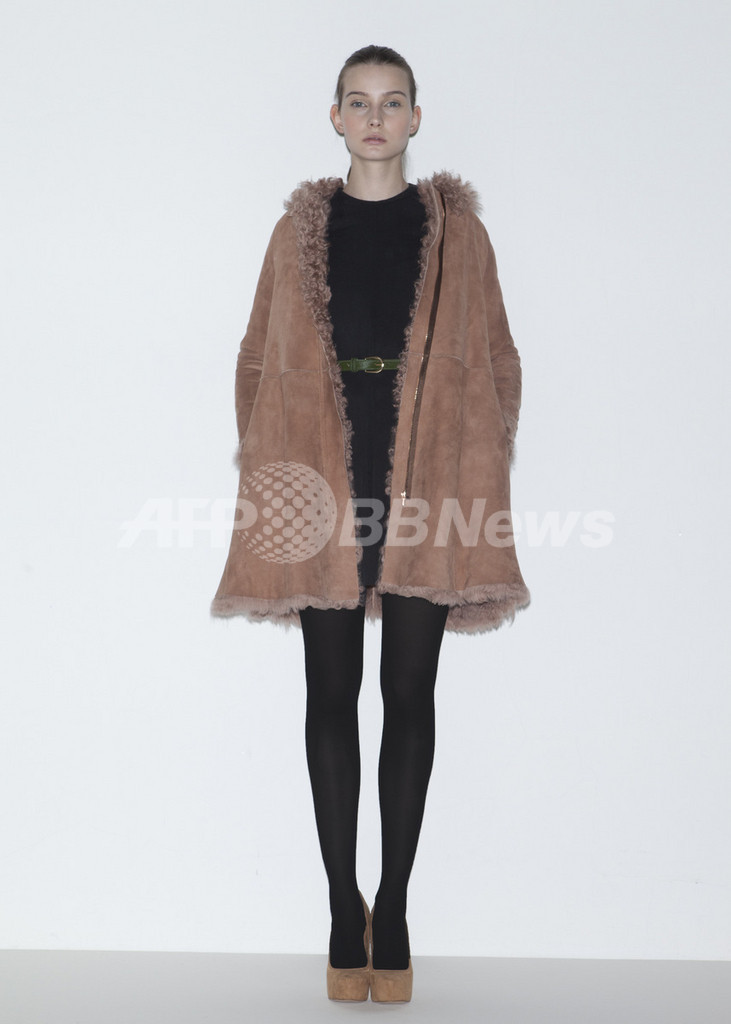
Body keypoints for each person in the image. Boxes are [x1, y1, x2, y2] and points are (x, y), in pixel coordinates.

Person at [211, 44, 529, 1003]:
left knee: (410, 695)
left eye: (392, 103)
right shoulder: (296, 231)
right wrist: (270, 460)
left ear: (416, 118)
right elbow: (255, 356)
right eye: (359, 102)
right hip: (320, 474)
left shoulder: (457, 231)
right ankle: (337, 905)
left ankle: (391, 908)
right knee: (329, 694)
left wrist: (482, 451)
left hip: (431, 476)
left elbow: (499, 356)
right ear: (336, 117)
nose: (376, 118)